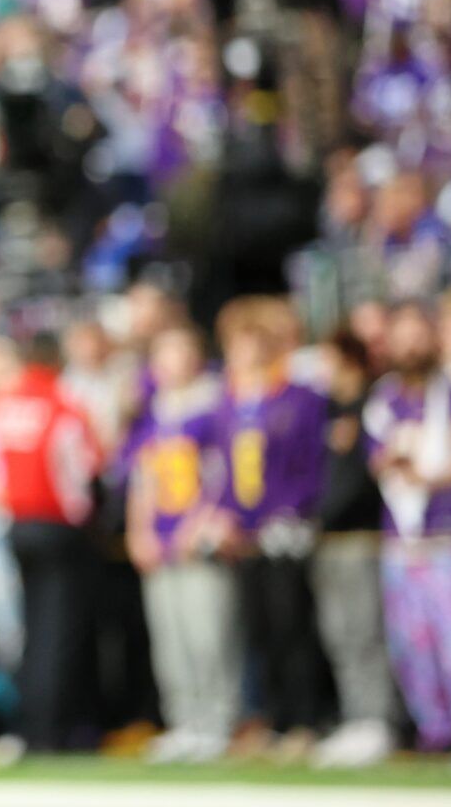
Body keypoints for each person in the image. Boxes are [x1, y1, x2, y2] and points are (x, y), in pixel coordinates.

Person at [367, 301, 451, 751]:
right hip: (402, 536)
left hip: (449, 533)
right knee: (412, 643)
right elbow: (378, 457)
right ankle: (436, 729)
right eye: (402, 335)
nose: (411, 344)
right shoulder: (384, 398)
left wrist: (432, 474)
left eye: (419, 333)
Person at [0, 338, 103, 752]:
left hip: (16, 526)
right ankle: (52, 731)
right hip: (57, 527)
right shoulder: (62, 405)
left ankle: (28, 726)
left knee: (31, 629)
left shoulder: (1, 406)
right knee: (59, 631)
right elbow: (81, 472)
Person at [215, 298, 330, 757]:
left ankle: (304, 719)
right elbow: (223, 469)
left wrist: (290, 512)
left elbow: (308, 464)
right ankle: (270, 718)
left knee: (292, 626)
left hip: (283, 531)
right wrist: (226, 516)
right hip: (244, 535)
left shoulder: (298, 395)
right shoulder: (231, 401)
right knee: (255, 630)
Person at [127, 325, 240, 763]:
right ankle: (184, 720)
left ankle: (218, 721)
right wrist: (140, 531)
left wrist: (195, 527)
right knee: (170, 639)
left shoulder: (215, 405)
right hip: (160, 543)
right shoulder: (154, 413)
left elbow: (221, 473)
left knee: (208, 634)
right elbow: (142, 479)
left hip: (198, 541)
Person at [310, 331, 397, 768]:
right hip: (326, 540)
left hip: (360, 536)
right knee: (339, 634)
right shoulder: (324, 410)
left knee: (366, 632)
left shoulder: (371, 406)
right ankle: (356, 715)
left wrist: (324, 515)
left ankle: (379, 719)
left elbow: (363, 477)